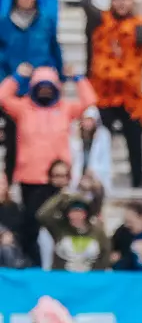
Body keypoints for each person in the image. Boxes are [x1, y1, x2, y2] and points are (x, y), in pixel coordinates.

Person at [0, 64, 96, 221]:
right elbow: (2, 97)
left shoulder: (66, 108)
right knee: (31, 221)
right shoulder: (23, 108)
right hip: (29, 178)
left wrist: (78, 78)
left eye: (49, 87)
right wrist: (17, 77)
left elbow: (89, 101)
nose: (45, 91)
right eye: (41, 87)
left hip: (57, 178)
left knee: (57, 221)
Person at [84, 0, 142, 191]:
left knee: (134, 138)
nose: (121, 3)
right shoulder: (99, 23)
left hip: (129, 95)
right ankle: (91, 179)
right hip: (104, 94)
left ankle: (138, 182)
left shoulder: (139, 24)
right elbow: (86, 4)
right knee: (96, 139)